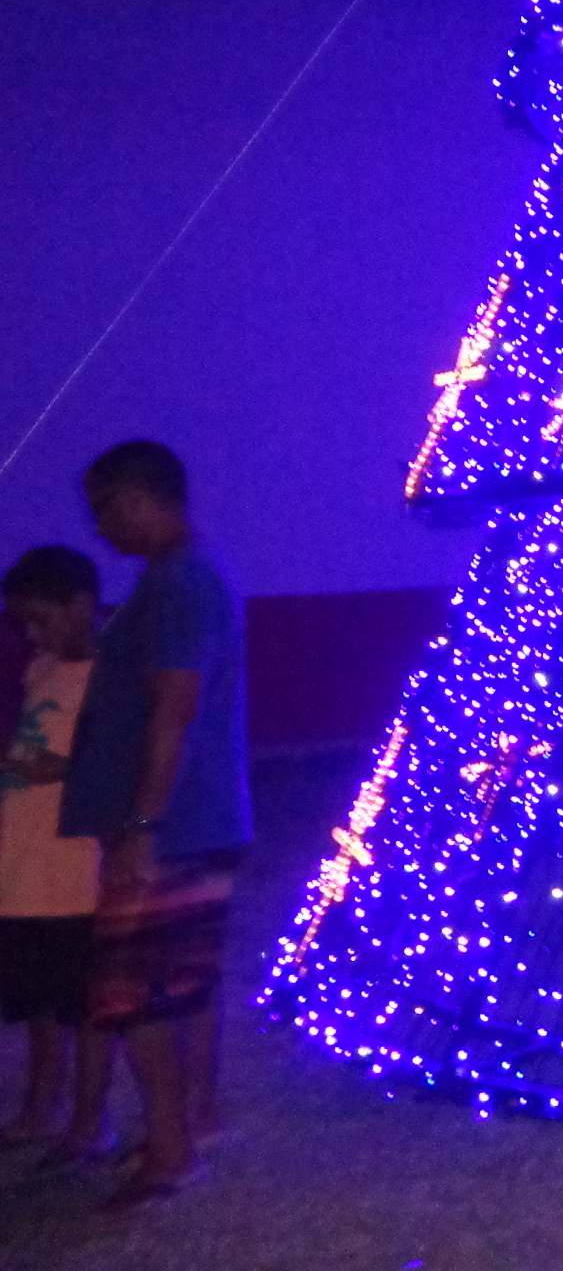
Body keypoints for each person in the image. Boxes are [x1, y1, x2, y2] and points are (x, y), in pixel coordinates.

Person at [58, 441, 252, 1206]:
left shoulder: (178, 582)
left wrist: (141, 821)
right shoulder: (186, 574)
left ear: (136, 499)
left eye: (103, 508)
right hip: (193, 817)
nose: (100, 528)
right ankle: (185, 1128)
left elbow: (174, 707)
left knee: (134, 992)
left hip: (170, 825)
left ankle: (172, 1151)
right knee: (177, 983)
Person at [0, 546, 113, 1160]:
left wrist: (56, 769)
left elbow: (112, 763)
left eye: (41, 619)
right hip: (21, 865)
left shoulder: (107, 675)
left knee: (81, 1002)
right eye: (22, 622)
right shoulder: (42, 669)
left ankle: (89, 1118)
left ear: (81, 607)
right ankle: (40, 1108)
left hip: (70, 870)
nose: (31, 634)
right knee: (39, 1002)